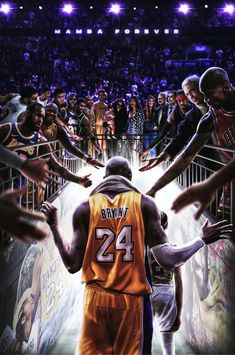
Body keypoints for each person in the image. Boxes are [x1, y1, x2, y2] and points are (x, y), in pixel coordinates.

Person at [41, 156, 231, 355]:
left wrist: (54, 225)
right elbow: (168, 258)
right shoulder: (145, 205)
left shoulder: (85, 208)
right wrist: (201, 239)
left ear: (105, 177)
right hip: (131, 302)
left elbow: (72, 264)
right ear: (130, 177)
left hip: (95, 300)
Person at [144, 67, 235, 210]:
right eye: (187, 94)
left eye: (209, 94)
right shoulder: (208, 118)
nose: (207, 100)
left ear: (226, 86)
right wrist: (154, 188)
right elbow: (186, 155)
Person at [41, 103, 104, 169]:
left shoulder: (58, 129)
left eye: (54, 112)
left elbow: (69, 147)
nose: (51, 113)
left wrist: (87, 159)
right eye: (49, 111)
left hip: (50, 162)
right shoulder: (36, 126)